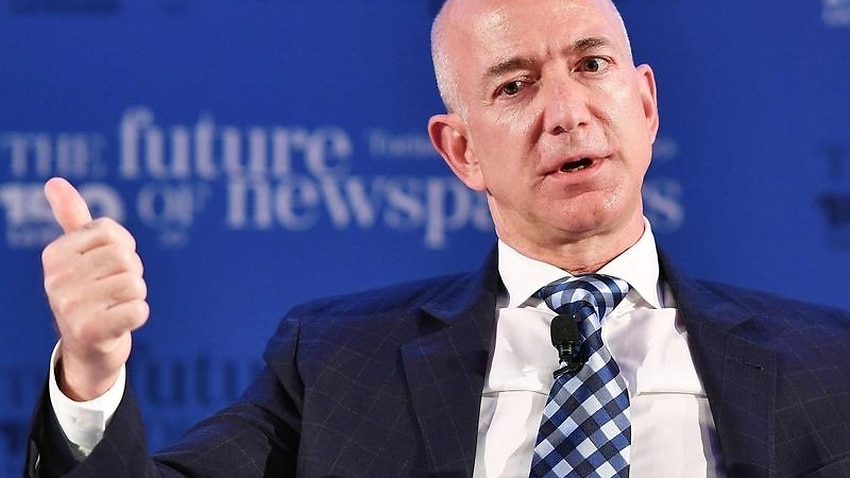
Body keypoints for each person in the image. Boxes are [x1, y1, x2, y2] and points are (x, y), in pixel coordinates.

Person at [23, 0, 850, 476]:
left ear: (645, 104)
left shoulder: (830, 367)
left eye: (591, 65)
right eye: (516, 85)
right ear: (461, 150)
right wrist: (91, 375)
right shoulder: (335, 363)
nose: (567, 112)